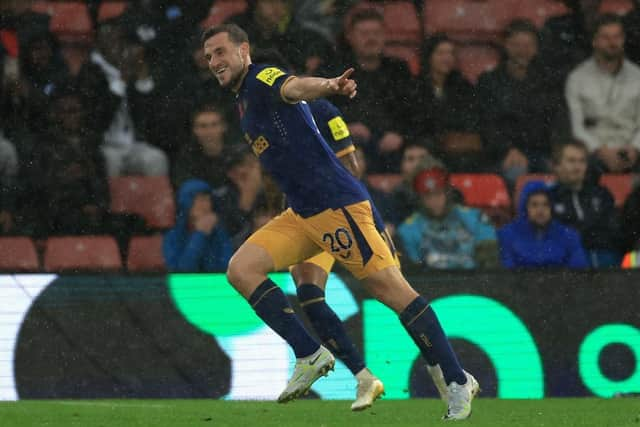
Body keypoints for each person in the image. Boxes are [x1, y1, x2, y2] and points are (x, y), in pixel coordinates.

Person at [202, 24, 479, 420]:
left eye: (220, 52)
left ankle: (456, 379)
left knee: (392, 291)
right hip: (301, 214)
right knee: (241, 269)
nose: (214, 62)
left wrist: (330, 85)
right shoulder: (243, 100)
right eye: (209, 56)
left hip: (336, 206)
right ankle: (310, 354)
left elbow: (293, 87)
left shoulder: (261, 78)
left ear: (243, 50)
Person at [321, 7, 414, 173]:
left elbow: (415, 113)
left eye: (376, 33)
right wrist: (345, 127)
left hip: (395, 150)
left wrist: (400, 135)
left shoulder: (399, 70)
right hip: (346, 145)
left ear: (385, 35)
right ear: (350, 37)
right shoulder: (333, 70)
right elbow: (320, 109)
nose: (371, 38)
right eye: (364, 33)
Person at [478, 19, 557, 183]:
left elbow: (555, 122)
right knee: (517, 171)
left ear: (536, 49)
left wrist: (557, 154)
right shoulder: (489, 81)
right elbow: (487, 124)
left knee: (563, 171)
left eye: (528, 45)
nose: (523, 51)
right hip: (503, 154)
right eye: (517, 45)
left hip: (541, 152)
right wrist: (508, 150)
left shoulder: (547, 82)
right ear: (506, 46)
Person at [565, 14, 640, 173]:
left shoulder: (638, 77)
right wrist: (601, 151)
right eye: (605, 37)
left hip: (632, 149)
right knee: (580, 164)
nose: (612, 43)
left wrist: (635, 148)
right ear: (594, 41)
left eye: (617, 37)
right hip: (593, 152)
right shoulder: (577, 78)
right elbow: (577, 127)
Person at [398, 167, 498, 270]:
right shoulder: (408, 228)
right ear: (420, 198)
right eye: (428, 196)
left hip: (473, 280)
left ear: (447, 193)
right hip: (430, 282)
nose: (434, 201)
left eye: (438, 194)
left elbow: (489, 257)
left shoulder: (474, 217)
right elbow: (414, 269)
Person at [411, 34, 482, 172]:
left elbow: (470, 118)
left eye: (450, 53)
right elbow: (417, 122)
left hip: (458, 150)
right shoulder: (415, 86)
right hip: (429, 146)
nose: (447, 58)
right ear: (429, 57)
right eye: (440, 53)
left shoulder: (463, 86)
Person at [549, 142, 621, 267]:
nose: (577, 167)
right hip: (566, 265)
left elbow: (613, 230)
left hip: (606, 261)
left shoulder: (602, 194)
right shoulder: (549, 197)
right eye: (571, 161)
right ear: (557, 166)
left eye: (582, 161)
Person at [498, 181, 589, 269]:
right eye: (534, 205)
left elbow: (578, 274)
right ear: (525, 208)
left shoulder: (569, 235)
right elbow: (507, 272)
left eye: (546, 204)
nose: (540, 210)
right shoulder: (507, 234)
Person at [163, 179, 233, 272]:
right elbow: (183, 270)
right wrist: (200, 235)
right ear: (186, 203)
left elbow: (224, 268)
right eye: (200, 200)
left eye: (208, 200)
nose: (206, 205)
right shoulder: (173, 237)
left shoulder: (220, 234)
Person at [171, 104, 231, 190]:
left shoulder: (241, 155)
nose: (209, 131)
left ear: (224, 127)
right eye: (203, 126)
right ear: (194, 130)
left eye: (214, 125)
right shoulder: (185, 159)